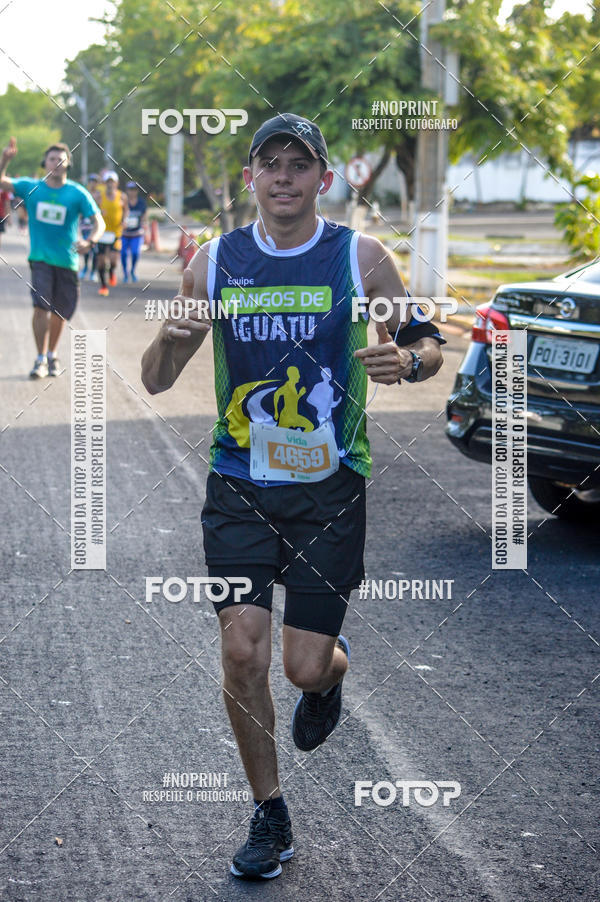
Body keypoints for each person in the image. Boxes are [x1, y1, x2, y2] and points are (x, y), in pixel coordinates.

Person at [141, 113, 445, 880]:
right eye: (269, 164)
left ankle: (330, 678)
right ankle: (269, 813)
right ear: (250, 179)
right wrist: (171, 341)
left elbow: (426, 341)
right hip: (240, 483)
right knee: (242, 649)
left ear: (323, 178)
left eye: (298, 165)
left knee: (302, 667)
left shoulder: (360, 258)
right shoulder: (214, 263)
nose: (283, 177)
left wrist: (406, 363)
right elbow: (154, 379)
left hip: (329, 491)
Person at [0, 137, 105, 378]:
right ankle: (39, 358)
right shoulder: (31, 187)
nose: (56, 162)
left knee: (60, 313)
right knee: (40, 307)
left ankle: (52, 354)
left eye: (61, 158)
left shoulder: (77, 193)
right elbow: (2, 182)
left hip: (67, 262)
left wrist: (90, 241)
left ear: (68, 163)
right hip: (40, 260)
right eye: (52, 159)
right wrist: (5, 159)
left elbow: (99, 221)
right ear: (45, 163)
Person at [96, 170, 126, 296]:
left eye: (112, 182)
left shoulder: (122, 196)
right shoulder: (99, 196)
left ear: (116, 183)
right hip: (102, 232)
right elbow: (93, 210)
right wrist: (98, 213)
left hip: (116, 233)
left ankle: (112, 272)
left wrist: (124, 221)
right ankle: (103, 286)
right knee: (101, 261)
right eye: (108, 182)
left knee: (113, 260)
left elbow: (126, 210)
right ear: (105, 183)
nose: (110, 184)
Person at [121, 181, 147, 282]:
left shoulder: (141, 203)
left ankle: (132, 270)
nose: (132, 192)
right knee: (123, 253)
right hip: (124, 233)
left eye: (134, 189)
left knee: (135, 253)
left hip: (137, 234)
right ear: (127, 191)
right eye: (130, 189)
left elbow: (144, 216)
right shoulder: (123, 202)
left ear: (137, 191)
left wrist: (145, 225)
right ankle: (125, 273)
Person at [79, 173, 101, 280]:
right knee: (86, 247)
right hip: (85, 226)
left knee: (95, 250)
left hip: (95, 227)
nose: (93, 183)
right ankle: (85, 268)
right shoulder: (84, 193)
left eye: (95, 181)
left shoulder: (100, 195)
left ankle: (93, 271)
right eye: (91, 181)